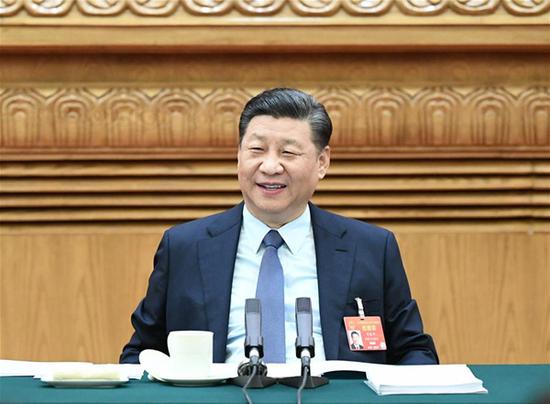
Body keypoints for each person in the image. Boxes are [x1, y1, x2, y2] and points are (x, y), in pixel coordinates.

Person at [120, 88, 438, 365]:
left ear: (322, 162)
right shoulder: (185, 247)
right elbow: (142, 352)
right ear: (239, 156)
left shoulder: (370, 247)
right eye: (256, 150)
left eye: (288, 152)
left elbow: (413, 349)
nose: (270, 166)